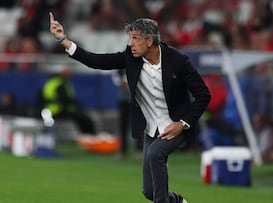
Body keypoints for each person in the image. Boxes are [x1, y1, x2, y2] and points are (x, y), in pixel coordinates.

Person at [49, 13, 211, 203]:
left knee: (155, 154)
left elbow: (203, 95)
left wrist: (182, 124)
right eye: (130, 38)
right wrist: (63, 40)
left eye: (136, 38)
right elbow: (96, 61)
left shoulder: (178, 61)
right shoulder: (130, 58)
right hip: (152, 130)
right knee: (149, 192)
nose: (130, 43)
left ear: (150, 41)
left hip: (176, 127)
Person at [41, 67, 96, 134]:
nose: (70, 76)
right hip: (58, 110)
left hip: (51, 110)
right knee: (84, 119)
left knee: (82, 117)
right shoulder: (59, 84)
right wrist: (75, 103)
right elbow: (64, 99)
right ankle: (88, 136)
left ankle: (86, 136)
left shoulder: (52, 82)